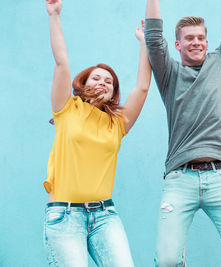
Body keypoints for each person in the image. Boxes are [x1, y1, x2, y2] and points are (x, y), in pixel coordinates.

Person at [144, 0, 221, 266]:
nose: (197, 42)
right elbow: (154, 40)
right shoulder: (170, 74)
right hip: (180, 178)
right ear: (178, 44)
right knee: (168, 261)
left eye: (201, 38)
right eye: (189, 38)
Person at [43, 0, 151, 266]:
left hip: (104, 215)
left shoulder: (117, 123)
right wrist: (54, 15)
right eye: (96, 77)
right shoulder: (66, 109)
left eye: (109, 82)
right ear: (83, 83)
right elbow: (61, 63)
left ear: (114, 92)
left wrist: (144, 43)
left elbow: (143, 87)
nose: (103, 82)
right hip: (64, 215)